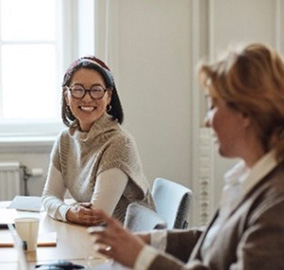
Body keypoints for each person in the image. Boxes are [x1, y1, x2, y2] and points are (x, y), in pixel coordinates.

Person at [88, 43, 284, 269]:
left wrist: (142, 257)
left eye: (213, 105)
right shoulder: (247, 177)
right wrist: (148, 241)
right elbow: (215, 240)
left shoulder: (277, 202)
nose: (207, 120)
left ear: (245, 112)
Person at [42, 56, 154, 226]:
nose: (87, 99)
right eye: (78, 89)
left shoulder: (119, 143)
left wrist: (67, 211)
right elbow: (49, 196)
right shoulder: (65, 140)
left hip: (127, 243)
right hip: (93, 237)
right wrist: (69, 212)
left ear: (108, 96)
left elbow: (97, 216)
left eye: (96, 90)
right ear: (66, 95)